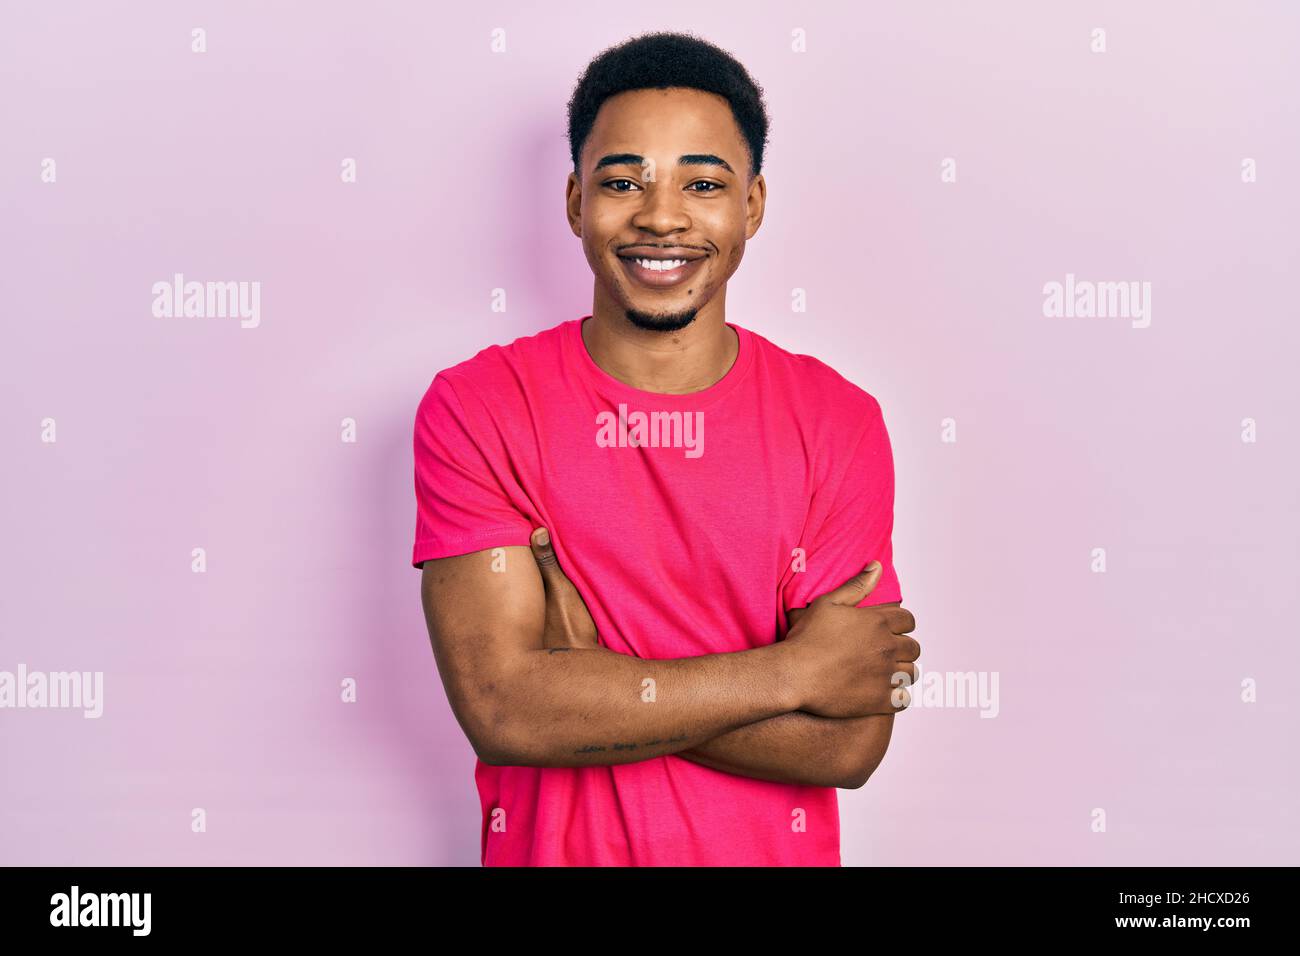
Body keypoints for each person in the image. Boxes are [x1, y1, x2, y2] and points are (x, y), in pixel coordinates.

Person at [412, 30, 920, 866]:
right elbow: (506, 711)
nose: (661, 215)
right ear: (575, 200)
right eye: (622, 181)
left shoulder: (838, 419)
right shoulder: (480, 407)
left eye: (704, 182)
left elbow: (850, 745)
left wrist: (591, 675)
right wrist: (793, 675)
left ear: (752, 205)